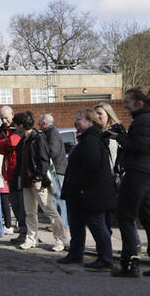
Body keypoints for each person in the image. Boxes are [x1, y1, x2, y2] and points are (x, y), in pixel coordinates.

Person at [110, 87, 150, 278]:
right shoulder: (149, 119)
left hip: (137, 173)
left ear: (139, 103)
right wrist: (125, 135)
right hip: (146, 174)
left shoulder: (143, 121)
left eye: (127, 102)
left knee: (126, 217)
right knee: (148, 219)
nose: (124, 105)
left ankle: (130, 263)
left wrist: (119, 137)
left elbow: (139, 147)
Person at [59, 108, 116, 270]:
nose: (76, 121)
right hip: (80, 192)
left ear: (90, 122)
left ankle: (106, 259)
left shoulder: (91, 140)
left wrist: (81, 187)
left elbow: (91, 167)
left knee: (97, 225)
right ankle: (76, 254)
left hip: (90, 193)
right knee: (76, 224)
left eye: (80, 118)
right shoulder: (87, 139)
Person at [13, 111, 67, 252]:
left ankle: (60, 239)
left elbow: (44, 159)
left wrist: (39, 176)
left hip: (37, 181)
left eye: (16, 124)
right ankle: (31, 239)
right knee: (30, 212)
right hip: (26, 181)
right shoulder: (24, 139)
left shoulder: (37, 138)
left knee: (49, 210)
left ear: (20, 125)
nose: (15, 127)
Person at [0, 105, 24, 241]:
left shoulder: (18, 127)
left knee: (23, 205)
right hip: (10, 171)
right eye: (2, 118)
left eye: (6, 117)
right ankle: (23, 232)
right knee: (16, 205)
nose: (4, 121)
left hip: (19, 170)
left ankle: (26, 232)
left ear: (12, 114)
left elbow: (13, 142)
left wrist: (4, 144)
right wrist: (6, 144)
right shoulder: (4, 129)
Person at [38, 113, 69, 229]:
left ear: (44, 123)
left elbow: (53, 151)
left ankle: (63, 224)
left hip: (57, 169)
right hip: (56, 168)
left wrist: (42, 153)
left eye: (39, 123)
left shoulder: (52, 133)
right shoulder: (49, 133)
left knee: (59, 197)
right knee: (55, 198)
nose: (38, 125)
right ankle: (58, 224)